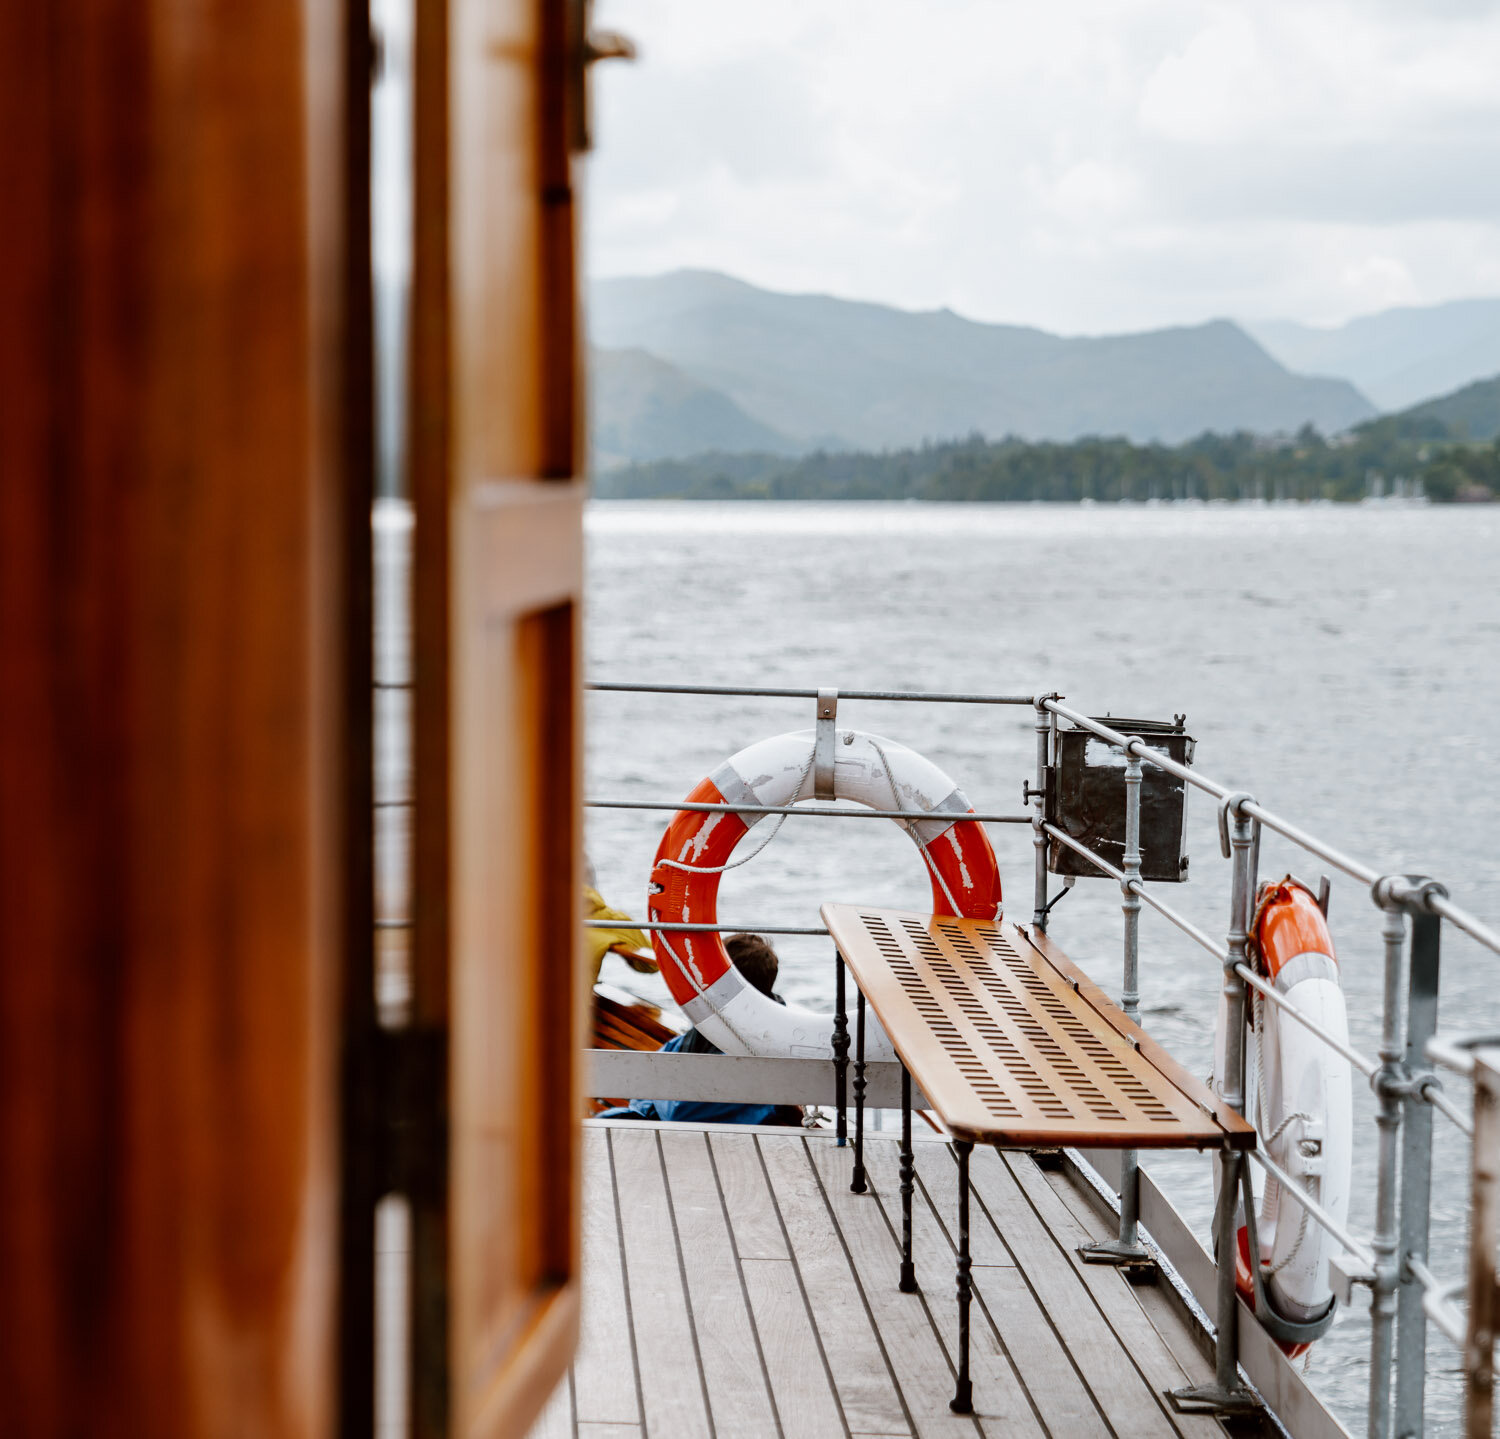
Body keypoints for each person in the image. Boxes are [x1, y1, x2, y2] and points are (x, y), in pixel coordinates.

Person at [598, 933, 805, 1127]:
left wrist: (655, 1094)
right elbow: (650, 1075)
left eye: (709, 975)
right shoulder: (715, 1024)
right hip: (672, 1125)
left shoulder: (753, 1048)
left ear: (726, 986)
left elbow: (679, 1112)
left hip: (706, 1140)